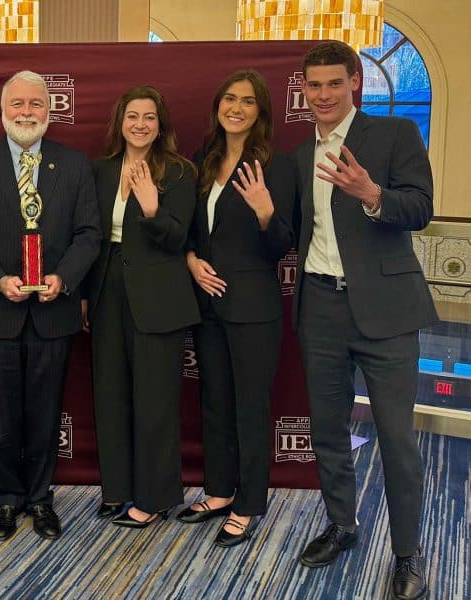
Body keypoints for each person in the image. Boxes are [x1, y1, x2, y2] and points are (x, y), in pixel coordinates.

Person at [292, 41, 436, 600]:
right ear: (304, 89)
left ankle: (407, 554)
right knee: (328, 431)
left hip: (388, 312)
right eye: (314, 85)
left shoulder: (394, 135)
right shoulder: (298, 155)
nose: (324, 95)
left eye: (334, 83)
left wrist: (372, 193)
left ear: (355, 82)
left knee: (398, 440)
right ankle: (342, 526)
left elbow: (420, 209)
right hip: (321, 308)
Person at [0, 70, 101, 542]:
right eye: (18, 104)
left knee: (44, 416)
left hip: (52, 314)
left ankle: (40, 499)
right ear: (3, 110)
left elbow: (89, 235)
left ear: (50, 111)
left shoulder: (74, 165)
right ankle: (5, 500)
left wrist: (64, 277)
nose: (27, 112)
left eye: (36, 104)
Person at [179, 70, 296, 546]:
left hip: (253, 308)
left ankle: (248, 504)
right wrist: (190, 261)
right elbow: (187, 230)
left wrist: (266, 211)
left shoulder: (277, 166)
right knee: (215, 403)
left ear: (260, 112)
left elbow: (283, 244)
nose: (237, 108)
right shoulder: (201, 161)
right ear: (218, 106)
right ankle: (219, 491)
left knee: (249, 408)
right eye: (230, 99)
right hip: (207, 304)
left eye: (248, 102)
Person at [84, 85, 199, 529]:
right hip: (107, 289)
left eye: (149, 116)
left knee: (155, 402)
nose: (140, 124)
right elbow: (89, 237)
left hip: (158, 296)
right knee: (110, 396)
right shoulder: (100, 171)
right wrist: (83, 295)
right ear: (120, 122)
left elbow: (178, 238)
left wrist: (152, 208)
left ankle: (154, 497)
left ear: (161, 123)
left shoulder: (179, 172)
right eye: (132, 115)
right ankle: (117, 489)